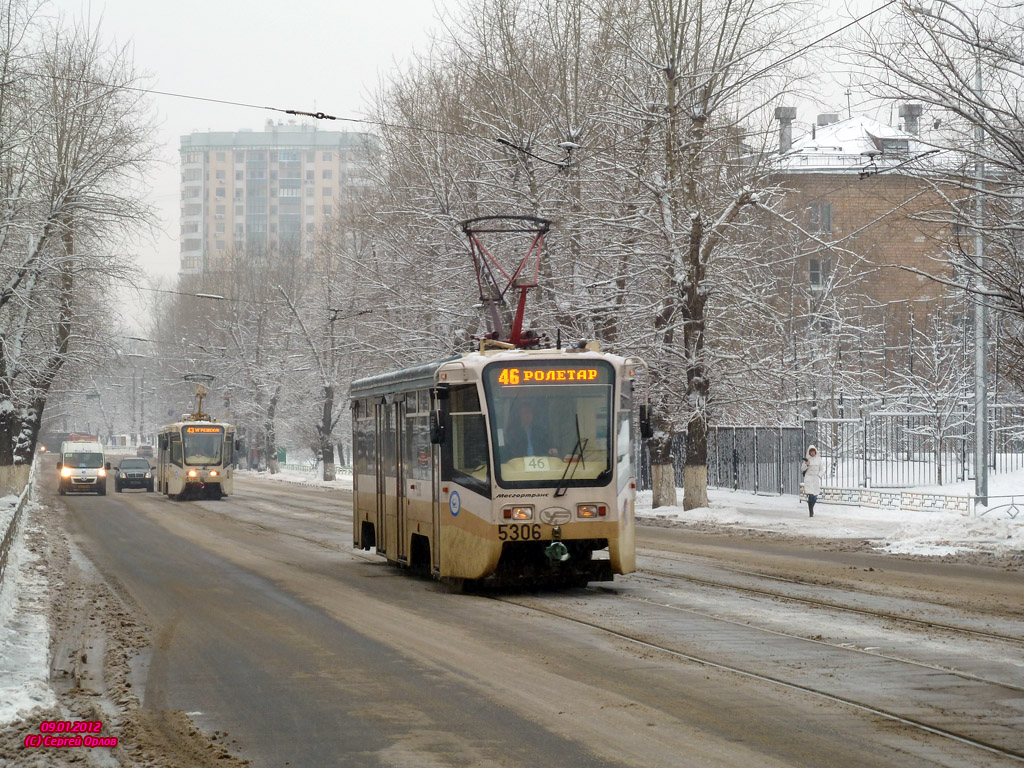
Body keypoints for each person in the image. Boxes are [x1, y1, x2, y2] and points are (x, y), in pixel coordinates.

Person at [802, 445, 822, 517]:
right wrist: (806, 465)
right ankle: (811, 512)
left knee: (815, 496)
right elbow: (802, 469)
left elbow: (822, 469)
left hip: (815, 478)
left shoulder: (819, 459)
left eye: (813, 451)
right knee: (810, 495)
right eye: (811, 452)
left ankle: (811, 507)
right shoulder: (807, 459)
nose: (812, 453)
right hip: (809, 478)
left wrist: (819, 475)